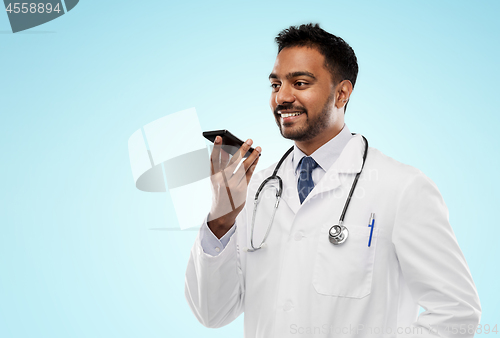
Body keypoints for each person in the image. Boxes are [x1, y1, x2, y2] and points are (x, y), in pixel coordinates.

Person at [184, 23, 481, 337]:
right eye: (275, 85)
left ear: (342, 93)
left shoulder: (402, 188)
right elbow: (211, 313)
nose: (282, 97)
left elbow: (457, 312)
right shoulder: (254, 189)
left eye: (300, 83)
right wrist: (221, 220)